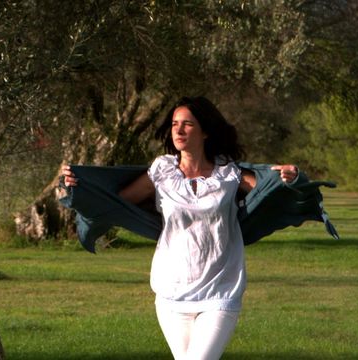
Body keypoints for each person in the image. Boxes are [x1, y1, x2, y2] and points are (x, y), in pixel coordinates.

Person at [62, 96, 298, 360]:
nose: (179, 130)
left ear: (205, 131)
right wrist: (78, 186)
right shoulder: (162, 171)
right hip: (172, 293)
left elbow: (271, 190)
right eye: (175, 124)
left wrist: (287, 178)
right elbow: (114, 201)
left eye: (188, 124)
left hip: (220, 290)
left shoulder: (228, 174)